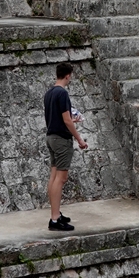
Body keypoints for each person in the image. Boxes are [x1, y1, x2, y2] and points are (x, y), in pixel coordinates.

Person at [43, 63, 87, 231]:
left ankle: (55, 213)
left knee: (54, 177)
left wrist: (70, 120)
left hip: (51, 137)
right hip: (61, 139)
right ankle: (54, 219)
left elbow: (58, 117)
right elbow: (67, 120)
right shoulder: (62, 93)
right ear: (68, 75)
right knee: (61, 179)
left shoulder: (49, 93)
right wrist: (80, 140)